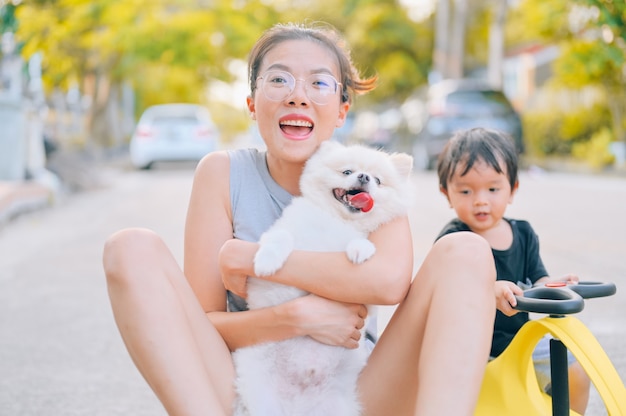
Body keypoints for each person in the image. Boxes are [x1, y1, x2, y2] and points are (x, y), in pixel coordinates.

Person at [103, 22, 496, 416]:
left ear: (342, 110)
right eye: (278, 80)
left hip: (351, 389)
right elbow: (203, 326)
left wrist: (254, 259)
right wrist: (295, 317)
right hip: (252, 385)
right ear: (253, 103)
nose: (297, 96)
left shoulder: (370, 176)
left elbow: (389, 281)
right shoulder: (222, 174)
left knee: (466, 251)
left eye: (319, 84)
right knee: (129, 248)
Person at [435, 127, 591, 414]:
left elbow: (538, 278)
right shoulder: (453, 240)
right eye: (466, 191)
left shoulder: (524, 233)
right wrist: (486, 290)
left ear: (512, 189)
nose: (481, 200)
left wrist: (553, 285)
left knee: (575, 370)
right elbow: (440, 291)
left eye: (493, 189)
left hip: (522, 342)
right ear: (447, 193)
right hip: (471, 350)